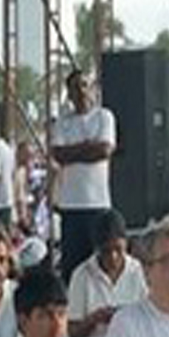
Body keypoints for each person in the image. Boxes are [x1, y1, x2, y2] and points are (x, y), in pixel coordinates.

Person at [51, 71, 118, 280]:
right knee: (72, 268)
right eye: (75, 87)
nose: (81, 91)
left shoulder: (104, 117)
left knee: (99, 267)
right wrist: (89, 147)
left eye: (84, 85)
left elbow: (104, 151)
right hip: (71, 206)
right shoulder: (63, 122)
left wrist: (74, 151)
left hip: (98, 204)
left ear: (92, 89)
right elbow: (59, 155)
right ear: (69, 94)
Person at [66, 210, 147, 337]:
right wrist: (94, 319)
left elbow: (149, 318)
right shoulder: (81, 275)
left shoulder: (138, 271)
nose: (113, 257)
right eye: (106, 251)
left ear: (127, 244)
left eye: (118, 250)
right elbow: (72, 332)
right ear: (96, 249)